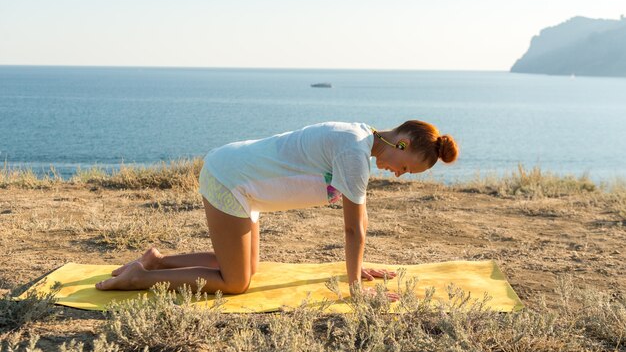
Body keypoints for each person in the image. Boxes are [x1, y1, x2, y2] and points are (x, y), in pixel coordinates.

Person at [96, 121, 458, 300]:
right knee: (235, 283)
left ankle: (157, 261)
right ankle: (139, 278)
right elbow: (355, 230)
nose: (398, 174)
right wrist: (354, 287)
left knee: (246, 269)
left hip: (245, 183)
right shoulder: (355, 153)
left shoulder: (357, 139)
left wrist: (357, 269)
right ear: (402, 142)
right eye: (406, 167)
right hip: (231, 179)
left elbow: (354, 230)